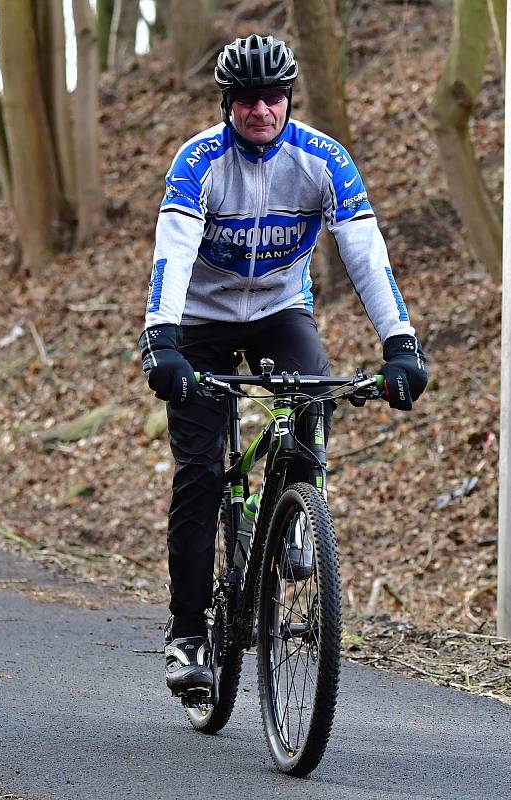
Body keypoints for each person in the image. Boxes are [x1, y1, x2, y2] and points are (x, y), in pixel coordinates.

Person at [138, 34, 427, 696]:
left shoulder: (323, 159)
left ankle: (296, 515)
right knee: (200, 473)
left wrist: (399, 342)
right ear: (226, 104)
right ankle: (186, 637)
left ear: (289, 99)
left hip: (277, 310)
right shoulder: (198, 162)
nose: (260, 110)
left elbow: (364, 251)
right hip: (201, 320)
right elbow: (172, 254)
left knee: (313, 394)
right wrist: (161, 340)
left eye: (272, 97)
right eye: (245, 99)